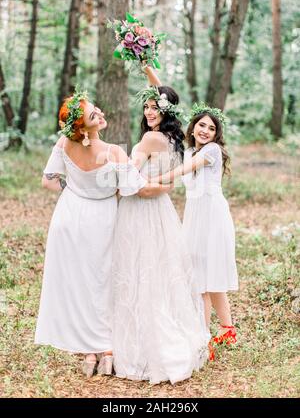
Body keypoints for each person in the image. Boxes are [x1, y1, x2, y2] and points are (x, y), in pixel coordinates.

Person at [34, 88, 169, 378]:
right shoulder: (113, 152)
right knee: (103, 281)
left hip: (69, 215)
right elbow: (138, 189)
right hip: (102, 217)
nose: (101, 114)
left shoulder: (64, 143)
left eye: (97, 109)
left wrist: (75, 190)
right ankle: (106, 351)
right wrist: (170, 182)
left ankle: (88, 352)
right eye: (94, 115)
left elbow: (47, 182)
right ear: (82, 127)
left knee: (80, 283)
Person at [112, 68, 209, 385]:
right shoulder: (174, 139)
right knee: (159, 273)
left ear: (164, 111)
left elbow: (129, 174)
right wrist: (145, 66)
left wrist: (110, 173)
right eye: (146, 107)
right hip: (163, 211)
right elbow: (166, 186)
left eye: (155, 107)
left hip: (140, 209)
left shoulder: (151, 138)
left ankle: (146, 346)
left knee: (141, 271)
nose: (149, 111)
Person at [153, 104, 238, 353]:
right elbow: (169, 111)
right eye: (202, 125)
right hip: (195, 216)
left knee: (208, 277)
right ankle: (216, 331)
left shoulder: (212, 151)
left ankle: (213, 334)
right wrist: (146, 67)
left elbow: (183, 171)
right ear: (194, 126)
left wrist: (152, 180)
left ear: (216, 135)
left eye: (211, 128)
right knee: (201, 276)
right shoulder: (189, 150)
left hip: (212, 217)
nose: (205, 131)